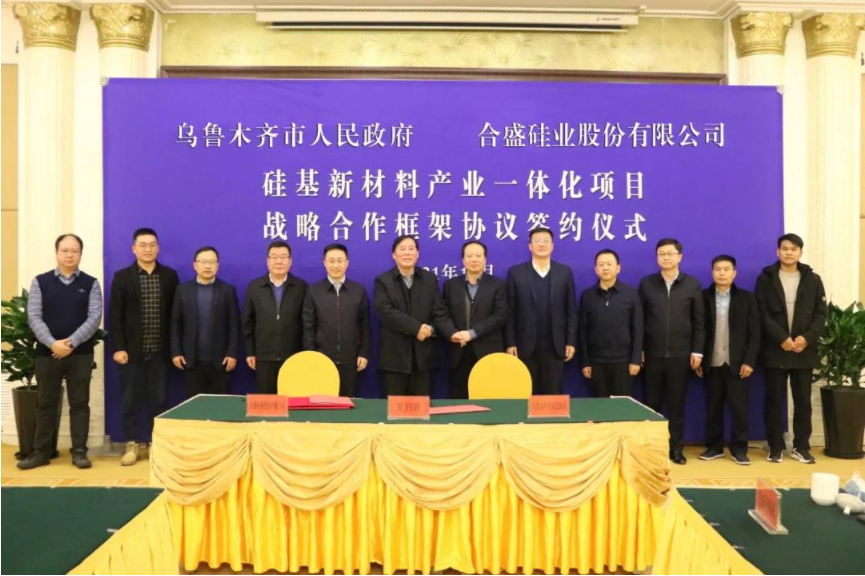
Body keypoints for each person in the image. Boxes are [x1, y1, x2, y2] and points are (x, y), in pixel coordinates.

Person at [18, 234, 102, 470]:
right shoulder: (40, 282)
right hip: (47, 354)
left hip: (80, 354)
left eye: (74, 251)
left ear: (81, 254)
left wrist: (71, 344)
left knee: (80, 403)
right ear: (57, 253)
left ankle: (79, 451)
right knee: (45, 403)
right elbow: (34, 316)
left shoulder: (91, 283)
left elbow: (94, 317)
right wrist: (52, 344)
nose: (69, 255)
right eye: (65, 250)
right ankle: (41, 452)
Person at [109, 228, 179, 466]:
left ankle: (154, 443)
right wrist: (118, 347)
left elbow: (175, 316)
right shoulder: (122, 277)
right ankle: (131, 444)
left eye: (152, 245)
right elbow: (115, 315)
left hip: (160, 350)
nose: (148, 249)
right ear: (134, 249)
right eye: (143, 245)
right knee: (130, 400)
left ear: (158, 248)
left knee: (159, 400)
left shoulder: (169, 276)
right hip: (131, 352)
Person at [755, 233, 826, 464]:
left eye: (793, 249)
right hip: (775, 349)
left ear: (800, 252)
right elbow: (761, 313)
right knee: (774, 401)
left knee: (803, 402)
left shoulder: (813, 279)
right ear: (778, 251)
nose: (788, 252)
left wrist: (806, 338)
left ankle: (801, 447)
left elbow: (821, 314)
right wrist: (781, 338)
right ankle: (775, 446)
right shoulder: (765, 278)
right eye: (784, 248)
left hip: (803, 350)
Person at [639, 238, 705, 465]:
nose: (665, 257)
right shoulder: (647, 284)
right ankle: (653, 450)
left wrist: (697, 351)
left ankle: (676, 448)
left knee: (677, 406)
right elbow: (639, 321)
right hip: (652, 354)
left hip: (681, 355)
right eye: (661, 254)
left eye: (670, 253)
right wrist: (640, 349)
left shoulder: (692, 285)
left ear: (680, 257)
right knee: (652, 404)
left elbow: (699, 322)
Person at [696, 255, 760, 465]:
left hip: (738, 363)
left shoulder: (747, 298)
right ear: (712, 272)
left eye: (726, 269)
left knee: (739, 409)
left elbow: (754, 333)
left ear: (735, 273)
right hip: (712, 362)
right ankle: (714, 447)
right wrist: (699, 358)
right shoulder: (702, 297)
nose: (722, 273)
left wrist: (749, 361)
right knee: (713, 408)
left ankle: (739, 449)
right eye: (717, 269)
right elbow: (697, 330)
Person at [374, 235, 455, 396]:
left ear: (417, 254)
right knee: (394, 408)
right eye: (402, 249)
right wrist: (417, 328)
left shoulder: (429, 279)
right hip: (394, 359)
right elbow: (385, 312)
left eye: (411, 249)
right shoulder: (383, 281)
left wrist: (433, 330)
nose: (407, 253)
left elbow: (439, 312)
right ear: (394, 255)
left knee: (421, 408)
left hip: (423, 359)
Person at [505, 227, 578, 394]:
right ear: (530, 246)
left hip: (556, 345)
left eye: (546, 241)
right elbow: (509, 312)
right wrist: (510, 343)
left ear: (552, 246)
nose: (542, 244)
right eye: (537, 241)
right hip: (524, 346)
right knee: (527, 394)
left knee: (553, 395)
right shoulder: (515, 273)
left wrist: (571, 342)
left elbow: (571, 310)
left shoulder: (564, 272)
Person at [302, 243, 371, 397]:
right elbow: (308, 326)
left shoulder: (358, 290)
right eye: (331, 261)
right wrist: (310, 356)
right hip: (322, 359)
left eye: (340, 260)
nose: (335, 265)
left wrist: (364, 353)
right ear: (324, 263)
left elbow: (365, 325)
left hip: (351, 360)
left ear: (347, 263)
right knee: (323, 404)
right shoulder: (314, 290)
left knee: (349, 403)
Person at [170, 246, 240, 397]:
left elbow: (234, 324)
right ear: (195, 265)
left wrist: (232, 353)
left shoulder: (227, 290)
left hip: (221, 361)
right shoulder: (182, 290)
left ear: (217, 265)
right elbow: (176, 323)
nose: (207, 266)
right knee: (195, 405)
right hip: (191, 360)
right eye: (203, 262)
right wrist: (176, 352)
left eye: (212, 262)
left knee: (220, 405)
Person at [442, 241, 508, 399]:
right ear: (463, 260)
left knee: (489, 399)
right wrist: (453, 333)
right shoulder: (450, 285)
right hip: (458, 351)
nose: (474, 259)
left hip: (488, 351)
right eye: (469, 256)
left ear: (485, 259)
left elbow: (500, 315)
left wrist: (471, 334)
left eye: (478, 256)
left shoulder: (498, 285)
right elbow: (442, 314)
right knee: (458, 400)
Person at [242, 240, 308, 393]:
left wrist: (305, 353)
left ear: (290, 261)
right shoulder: (255, 287)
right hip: (263, 356)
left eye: (283, 257)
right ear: (267, 261)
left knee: (292, 399)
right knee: (267, 402)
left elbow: (307, 323)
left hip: (293, 356)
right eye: (274, 257)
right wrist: (251, 351)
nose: (279, 261)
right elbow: (248, 322)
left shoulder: (301, 287)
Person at [578, 249, 642, 397]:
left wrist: (636, 360)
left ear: (618, 268)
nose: (605, 268)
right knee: (599, 404)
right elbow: (583, 331)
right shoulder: (587, 296)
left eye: (609, 264)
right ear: (596, 269)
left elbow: (638, 328)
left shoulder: (631, 294)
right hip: (596, 362)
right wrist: (585, 362)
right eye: (601, 265)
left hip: (624, 362)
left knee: (621, 405)